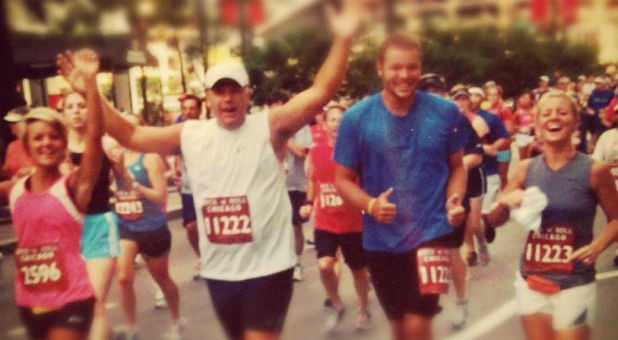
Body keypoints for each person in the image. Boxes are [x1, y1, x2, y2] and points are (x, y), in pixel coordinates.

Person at [58, 3, 365, 339]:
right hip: (221, 271)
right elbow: (130, 134)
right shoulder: (190, 134)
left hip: (269, 267)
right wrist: (90, 88)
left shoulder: (271, 126)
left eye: (235, 89)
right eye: (220, 91)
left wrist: (344, 36)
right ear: (208, 97)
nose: (228, 98)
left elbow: (321, 91)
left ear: (247, 94)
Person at [334, 34, 467, 340]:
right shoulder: (356, 119)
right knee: (398, 328)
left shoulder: (445, 112)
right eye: (396, 67)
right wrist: (370, 205)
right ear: (380, 68)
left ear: (421, 68)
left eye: (412, 67)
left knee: (418, 325)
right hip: (381, 242)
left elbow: (458, 165)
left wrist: (454, 198)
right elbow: (342, 179)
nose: (405, 76)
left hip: (432, 235)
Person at [484, 90, 618, 340]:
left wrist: (598, 246)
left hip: (574, 283)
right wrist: (505, 203)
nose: (553, 117)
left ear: (575, 122)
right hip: (532, 282)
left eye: (562, 112)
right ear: (537, 124)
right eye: (546, 113)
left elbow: (616, 219)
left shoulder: (594, 171)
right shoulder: (525, 169)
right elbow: (495, 220)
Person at [0, 49, 103, 340]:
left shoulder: (73, 186)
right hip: (30, 300)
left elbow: (94, 137)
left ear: (63, 142)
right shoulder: (15, 189)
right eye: (38, 137)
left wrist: (90, 83)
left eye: (54, 136)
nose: (47, 143)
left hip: (73, 298)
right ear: (26, 145)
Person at [299, 104, 371, 332]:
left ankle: (363, 308)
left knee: (358, 270)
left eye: (341, 120)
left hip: (353, 223)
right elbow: (312, 179)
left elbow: (368, 182)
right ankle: (336, 303)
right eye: (332, 120)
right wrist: (309, 203)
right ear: (324, 123)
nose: (336, 124)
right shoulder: (317, 151)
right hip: (326, 221)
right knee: (324, 265)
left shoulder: (357, 152)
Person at [112, 114, 182, 340]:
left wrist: (136, 187)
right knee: (123, 277)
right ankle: (131, 328)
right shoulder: (116, 157)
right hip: (126, 225)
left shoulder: (150, 158)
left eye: (130, 126)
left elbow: (161, 196)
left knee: (162, 279)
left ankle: (176, 320)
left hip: (152, 228)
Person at [61, 90, 121, 340]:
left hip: (99, 224)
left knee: (95, 302)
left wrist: (121, 168)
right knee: (73, 304)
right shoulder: (56, 148)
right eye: (70, 106)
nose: (76, 110)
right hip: (66, 232)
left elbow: (124, 184)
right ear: (62, 113)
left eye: (82, 105)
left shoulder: (105, 144)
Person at [448, 87, 485, 329]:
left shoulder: (456, 119)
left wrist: (456, 167)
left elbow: (477, 154)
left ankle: (461, 301)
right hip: (419, 196)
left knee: (453, 250)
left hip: (456, 188)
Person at [1, 106, 33, 180]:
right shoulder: (12, 145)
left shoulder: (38, 144)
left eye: (15, 122)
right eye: (10, 123)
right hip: (14, 187)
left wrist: (31, 170)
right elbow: (7, 174)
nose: (11, 125)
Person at [513, 91, 537, 160]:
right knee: (523, 159)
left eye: (526, 98)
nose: (524, 100)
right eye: (522, 98)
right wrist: (520, 128)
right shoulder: (518, 112)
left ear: (531, 100)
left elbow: (539, 123)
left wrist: (533, 125)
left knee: (530, 158)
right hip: (522, 136)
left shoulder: (535, 111)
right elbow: (513, 126)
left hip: (532, 136)